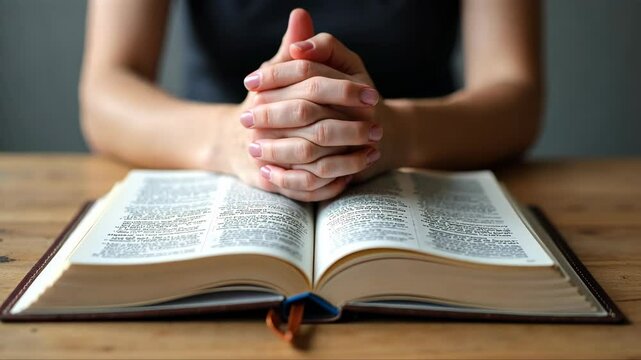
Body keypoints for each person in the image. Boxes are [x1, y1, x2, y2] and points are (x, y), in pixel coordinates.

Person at [80, 1, 541, 202]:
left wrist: (390, 134)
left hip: (424, 167)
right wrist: (233, 136)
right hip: (215, 171)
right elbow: (105, 89)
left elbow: (514, 93)